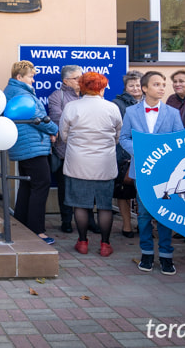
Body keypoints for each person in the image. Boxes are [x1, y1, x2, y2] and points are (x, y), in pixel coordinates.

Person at [119, 71, 184, 275]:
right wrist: (141, 151)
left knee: (164, 213)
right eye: (157, 84)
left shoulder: (172, 113)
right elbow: (124, 138)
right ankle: (146, 252)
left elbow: (180, 140)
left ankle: (166, 255)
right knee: (145, 214)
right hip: (142, 170)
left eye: (164, 84)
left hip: (165, 172)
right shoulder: (131, 112)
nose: (162, 87)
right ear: (145, 88)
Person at [59, 71, 123, 256]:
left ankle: (83, 242)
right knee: (104, 206)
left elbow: (64, 135)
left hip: (78, 163)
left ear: (82, 86)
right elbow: (118, 135)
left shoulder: (72, 106)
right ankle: (105, 245)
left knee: (80, 205)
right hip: (105, 163)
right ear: (102, 87)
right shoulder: (112, 108)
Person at [4, 61, 59, 245]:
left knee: (28, 186)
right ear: (19, 77)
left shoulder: (13, 91)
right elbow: (38, 119)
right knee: (41, 184)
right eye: (31, 76)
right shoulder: (22, 93)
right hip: (32, 147)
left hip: (25, 145)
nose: (33, 80)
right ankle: (37, 231)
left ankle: (21, 224)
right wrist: (53, 129)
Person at [48, 65, 81, 233]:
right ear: (66, 81)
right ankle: (66, 220)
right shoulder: (57, 96)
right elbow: (59, 120)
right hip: (64, 152)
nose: (80, 81)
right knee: (65, 188)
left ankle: (88, 220)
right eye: (77, 78)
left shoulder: (87, 96)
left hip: (85, 151)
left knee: (85, 187)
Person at [112, 70, 143, 237]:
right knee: (124, 191)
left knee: (143, 192)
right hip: (124, 152)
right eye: (132, 85)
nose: (136, 88)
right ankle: (126, 225)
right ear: (125, 87)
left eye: (138, 85)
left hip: (144, 152)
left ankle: (142, 223)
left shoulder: (149, 102)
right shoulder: (117, 103)